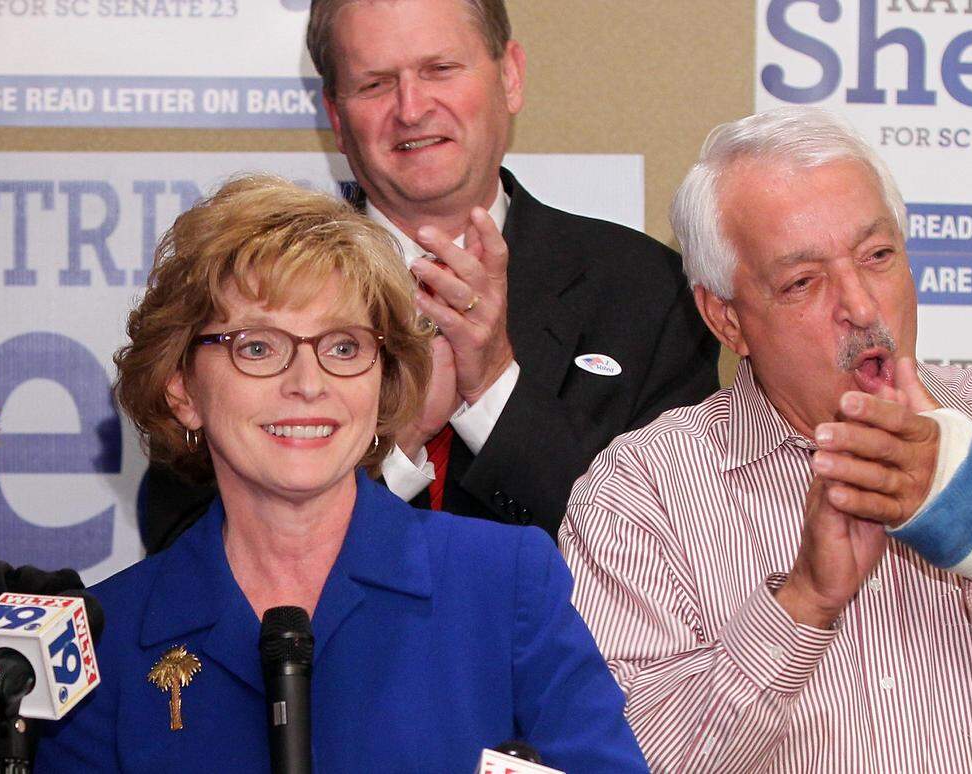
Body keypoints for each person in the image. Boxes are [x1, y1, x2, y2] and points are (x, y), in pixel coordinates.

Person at [559, 107, 972, 772]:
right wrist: (802, 603)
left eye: (878, 257)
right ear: (726, 318)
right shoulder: (642, 493)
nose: (861, 306)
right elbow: (626, 760)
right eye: (803, 281)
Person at [37, 176, 646, 772]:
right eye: (257, 347)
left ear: (383, 382)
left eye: (344, 347)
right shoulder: (106, 635)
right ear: (181, 388)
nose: (307, 384)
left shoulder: (504, 582)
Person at [136, 0, 719, 553]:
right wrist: (396, 439)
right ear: (336, 117)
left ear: (510, 76)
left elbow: (674, 554)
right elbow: (183, 544)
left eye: (439, 69)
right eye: (375, 83)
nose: (411, 107)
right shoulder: (240, 288)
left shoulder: (646, 290)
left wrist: (493, 390)